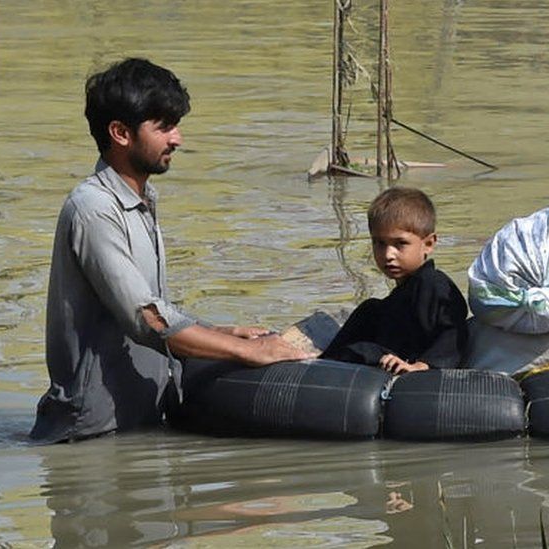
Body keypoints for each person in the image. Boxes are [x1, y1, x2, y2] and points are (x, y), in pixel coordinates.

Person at [30, 58, 312, 443]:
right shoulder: (93, 209)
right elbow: (147, 320)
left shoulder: (141, 200)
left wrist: (220, 331)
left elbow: (153, 308)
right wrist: (251, 352)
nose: (177, 139)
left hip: (136, 426)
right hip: (90, 437)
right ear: (120, 133)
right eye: (164, 127)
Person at [321, 187, 468, 373]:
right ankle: (321, 363)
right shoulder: (397, 296)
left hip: (414, 368)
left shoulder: (433, 284)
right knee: (369, 309)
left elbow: (454, 332)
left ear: (428, 244)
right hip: (387, 359)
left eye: (400, 244)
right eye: (379, 243)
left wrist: (421, 365)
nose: (388, 254)